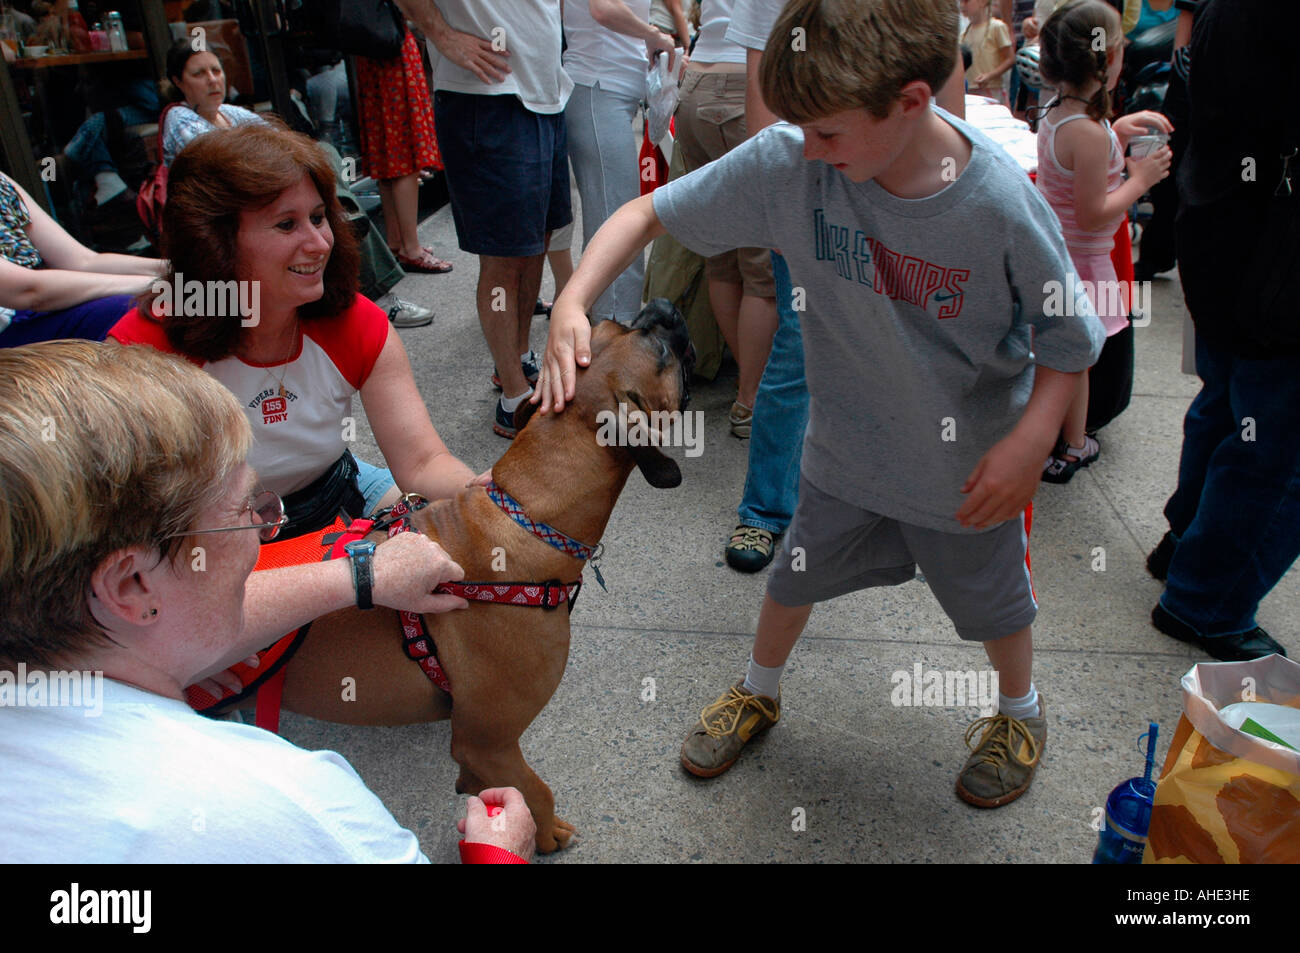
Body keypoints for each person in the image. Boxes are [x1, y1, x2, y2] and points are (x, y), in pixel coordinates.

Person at [537, 0, 1105, 806]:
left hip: (969, 468)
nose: (806, 151)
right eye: (800, 129)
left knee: (996, 605)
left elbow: (1070, 339)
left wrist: (1032, 441)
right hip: (844, 452)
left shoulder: (1000, 205)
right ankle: (758, 688)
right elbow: (644, 212)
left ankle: (1020, 709)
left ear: (911, 101)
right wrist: (574, 301)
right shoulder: (792, 158)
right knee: (792, 575)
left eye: (828, 134)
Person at [0, 339, 534, 863]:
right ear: (131, 588)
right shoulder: (290, 805)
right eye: (243, 511)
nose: (264, 531)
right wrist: (499, 854)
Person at [109, 123, 480, 724]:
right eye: (286, 225)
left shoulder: (355, 320)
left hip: (338, 484)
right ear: (214, 242)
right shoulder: (146, 350)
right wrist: (193, 629)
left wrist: (483, 498)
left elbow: (422, 463)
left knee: (467, 563)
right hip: (210, 537)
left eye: (319, 217)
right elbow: (124, 524)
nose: (319, 242)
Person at [718, 0, 967, 573]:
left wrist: (947, 184)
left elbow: (944, 71)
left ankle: (878, 502)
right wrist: (777, 204)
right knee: (798, 349)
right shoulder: (801, 139)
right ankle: (764, 511)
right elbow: (765, 83)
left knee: (897, 347)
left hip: (900, 192)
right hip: (819, 190)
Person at [1145, 0, 1295, 663]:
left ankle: (1188, 543)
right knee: (1276, 447)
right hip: (1274, 252)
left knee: (1228, 402)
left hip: (1221, 224)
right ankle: (1208, 597)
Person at [163, 39, 435, 329]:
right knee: (328, 214)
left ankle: (340, 217)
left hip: (266, 203)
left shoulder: (231, 114)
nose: (212, 80)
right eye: (199, 74)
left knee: (323, 155)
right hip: (231, 219)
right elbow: (228, 170)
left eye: (216, 71)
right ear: (178, 81)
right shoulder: (179, 119)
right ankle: (350, 236)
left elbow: (288, 145)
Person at [405, 0, 573, 439]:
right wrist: (440, 34)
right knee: (502, 256)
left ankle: (514, 361)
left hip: (545, 95)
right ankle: (513, 399)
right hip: (488, 98)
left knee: (536, 239)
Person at [1033, 0, 1171, 484]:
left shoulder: (1057, 114)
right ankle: (1073, 446)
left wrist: (1116, 130)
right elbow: (1095, 213)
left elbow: (1077, 167)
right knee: (1079, 359)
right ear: (1107, 59)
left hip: (1057, 258)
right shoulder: (1088, 134)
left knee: (1058, 353)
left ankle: (1053, 434)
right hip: (1085, 268)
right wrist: (1140, 179)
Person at [676, 0, 777, 439]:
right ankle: (751, 399)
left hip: (696, 82)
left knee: (720, 257)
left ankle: (747, 386)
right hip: (746, 87)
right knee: (762, 271)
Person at [562, 0, 676, 324]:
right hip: (598, 87)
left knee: (614, 219)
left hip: (608, 89)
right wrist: (654, 34)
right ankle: (613, 333)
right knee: (615, 224)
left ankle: (609, 329)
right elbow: (602, 8)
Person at [0, 170, 163, 347]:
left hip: (33, 312)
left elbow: (84, 261)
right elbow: (29, 291)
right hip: (11, 333)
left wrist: (173, 268)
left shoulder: (2, 184)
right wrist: (156, 284)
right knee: (135, 310)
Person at [353, 21, 454, 275]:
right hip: (394, 51)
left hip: (373, 51)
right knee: (405, 154)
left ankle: (398, 242)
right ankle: (411, 247)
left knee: (388, 153)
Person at [961, 0, 1014, 105]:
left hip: (992, 88)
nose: (962, 5)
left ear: (982, 2)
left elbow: (1010, 59)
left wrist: (990, 75)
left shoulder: (997, 27)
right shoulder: (963, 34)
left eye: (966, 1)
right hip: (971, 90)